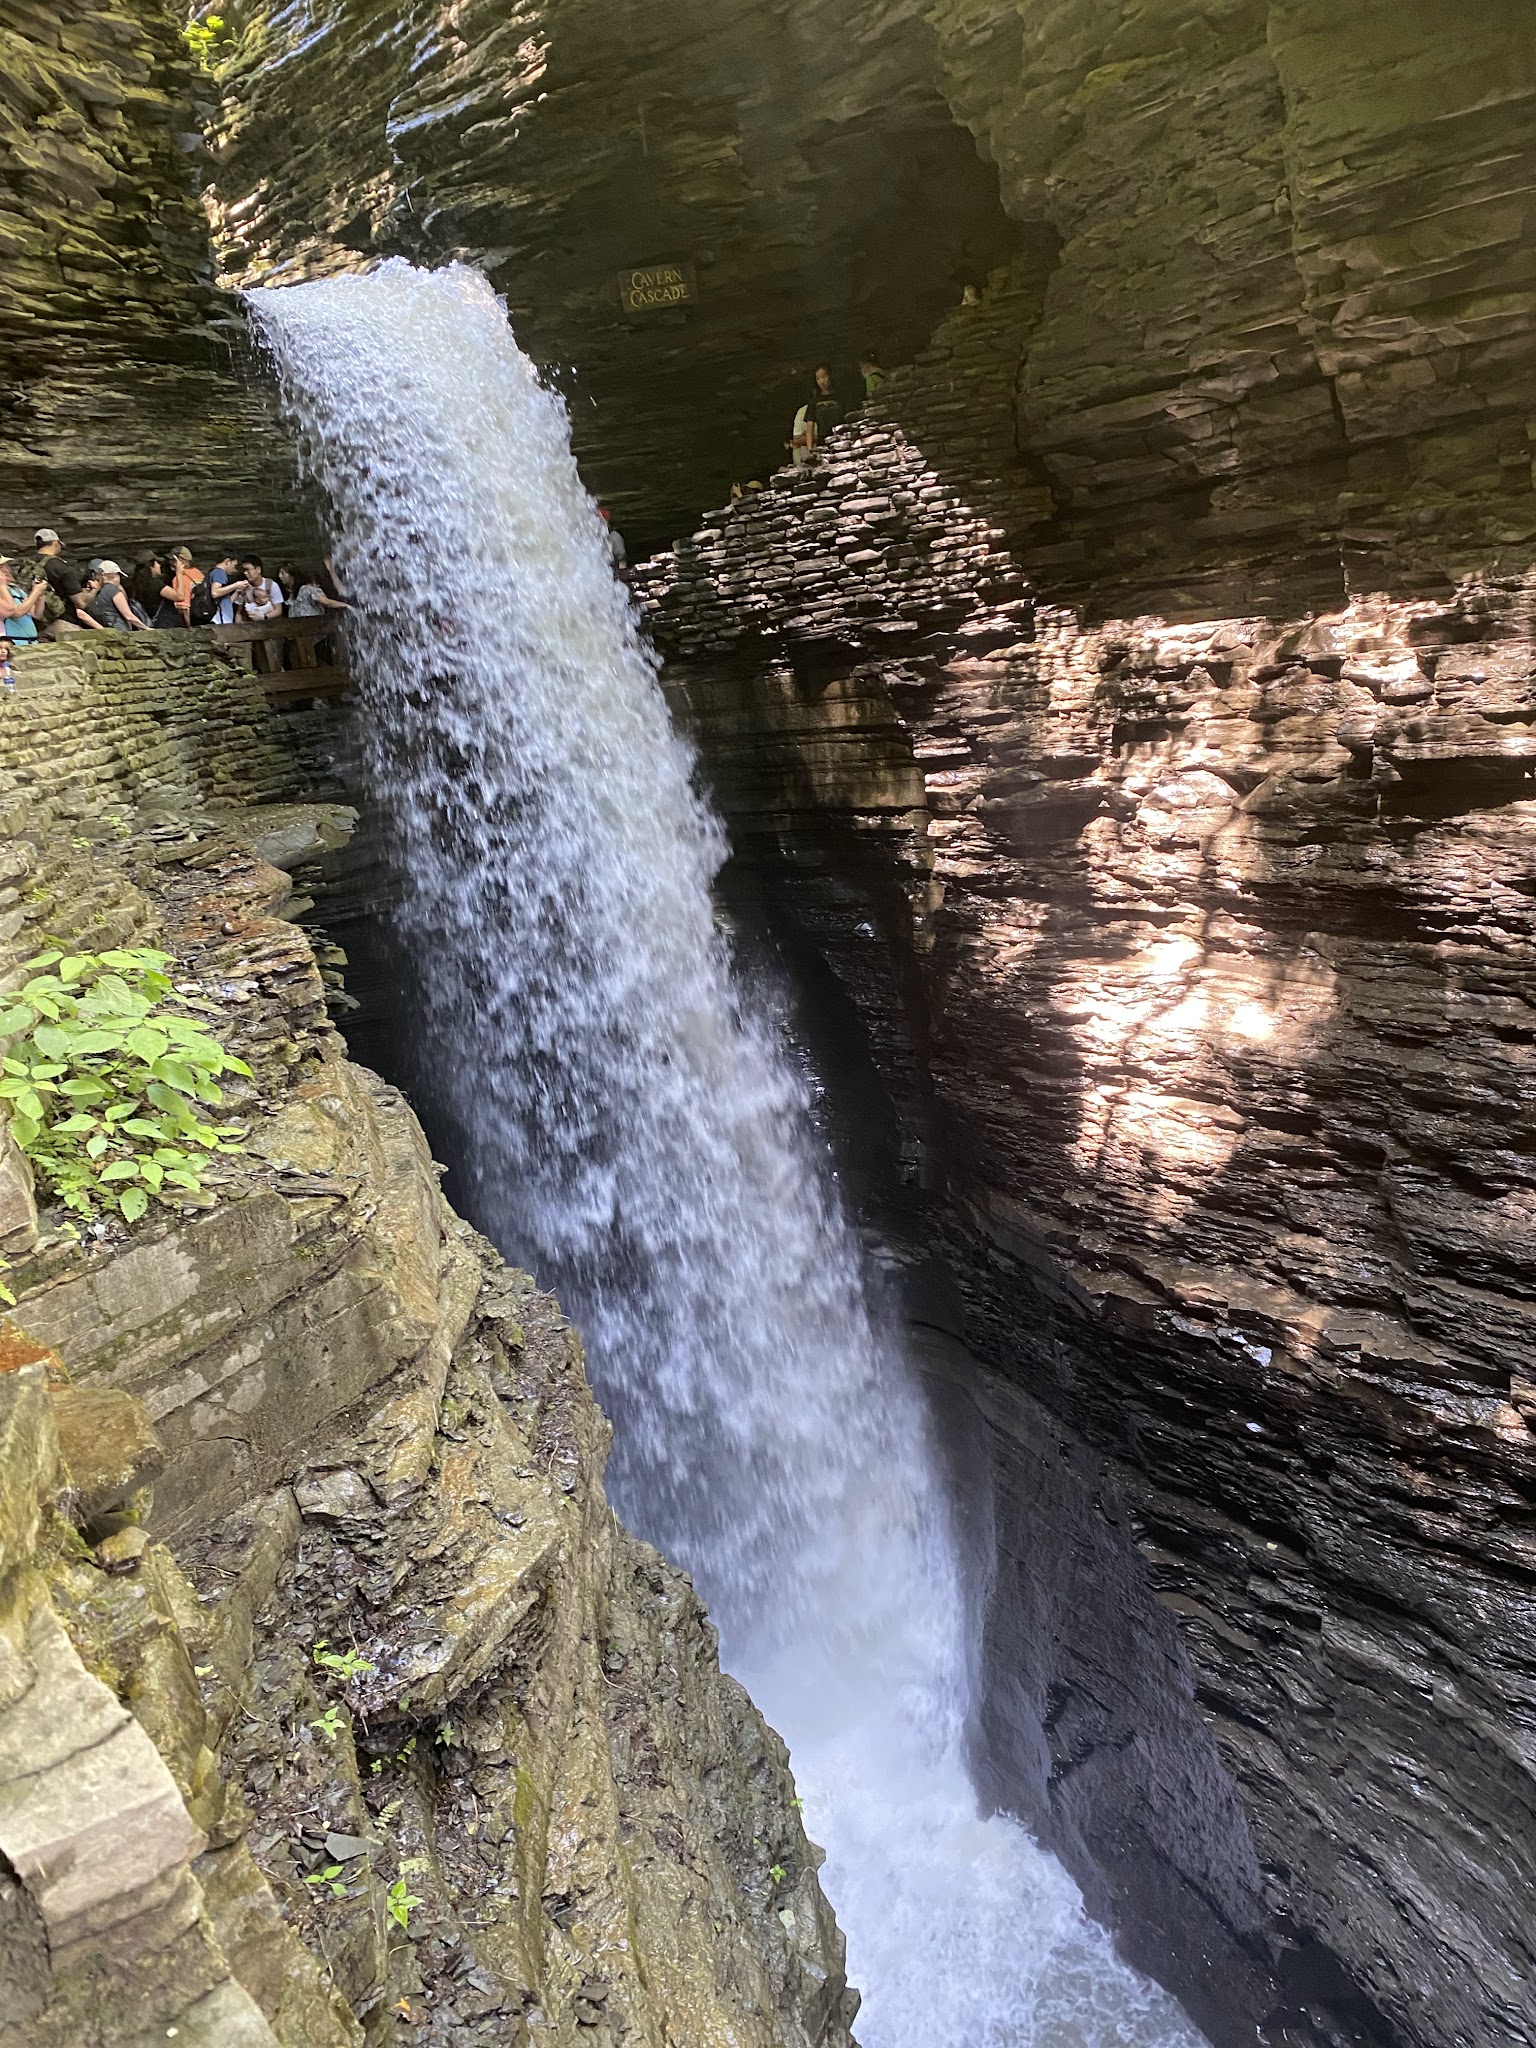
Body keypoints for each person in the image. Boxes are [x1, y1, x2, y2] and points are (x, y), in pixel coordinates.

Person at [82, 562, 149, 632]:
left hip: (102, 633)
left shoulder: (92, 593)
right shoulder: (112, 590)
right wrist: (146, 628)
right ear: (114, 576)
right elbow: (129, 616)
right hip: (119, 631)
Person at [0, 552, 49, 644]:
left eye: (6, 566)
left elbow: (36, 614)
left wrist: (40, 595)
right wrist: (35, 592)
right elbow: (17, 612)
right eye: (1, 568)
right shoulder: (2, 593)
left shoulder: (17, 590)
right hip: (13, 643)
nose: (6, 570)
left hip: (31, 642)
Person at [206, 550, 248, 625]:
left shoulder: (213, 572)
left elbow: (226, 602)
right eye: (234, 565)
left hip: (222, 619)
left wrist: (237, 591)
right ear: (227, 561)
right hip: (220, 620)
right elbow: (215, 592)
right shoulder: (219, 572)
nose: (234, 569)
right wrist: (236, 585)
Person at [166, 546, 204, 625]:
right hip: (205, 616)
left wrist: (189, 628)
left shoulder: (178, 579)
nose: (170, 562)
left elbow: (184, 608)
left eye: (173, 560)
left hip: (192, 620)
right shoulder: (198, 573)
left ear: (182, 560)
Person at [240, 556, 283, 621]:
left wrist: (264, 617)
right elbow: (239, 612)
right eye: (244, 570)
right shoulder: (243, 587)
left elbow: (278, 610)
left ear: (258, 569)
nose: (245, 573)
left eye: (248, 569)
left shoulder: (271, 585)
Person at [810, 364, 843, 439]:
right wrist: (810, 448)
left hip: (841, 437)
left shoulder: (840, 396)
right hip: (823, 440)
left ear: (830, 376)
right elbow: (810, 425)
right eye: (818, 379)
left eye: (824, 377)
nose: (821, 381)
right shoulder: (814, 400)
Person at [597, 506, 628, 577]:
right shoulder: (593, 539)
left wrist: (621, 577)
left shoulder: (614, 537)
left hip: (612, 574)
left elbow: (622, 561)